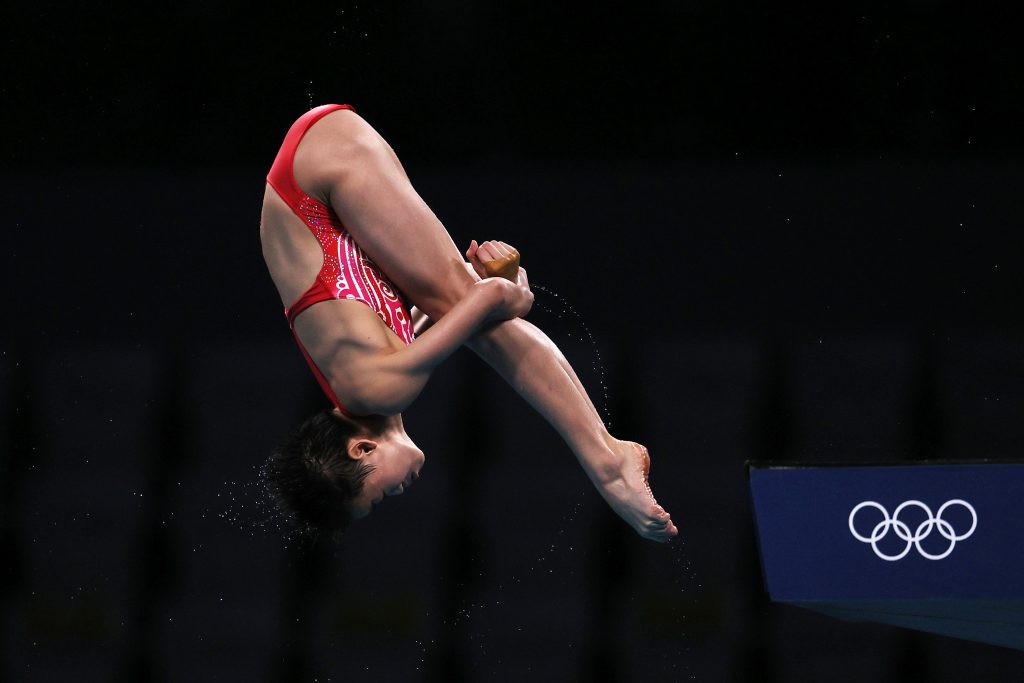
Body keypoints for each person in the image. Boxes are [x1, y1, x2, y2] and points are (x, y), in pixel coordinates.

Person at [260, 103, 677, 542]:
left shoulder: (381, 389)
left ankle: (608, 464)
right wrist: (480, 283)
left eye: (378, 496)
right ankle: (607, 457)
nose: (397, 493)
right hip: (310, 160)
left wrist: (513, 295)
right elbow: (444, 311)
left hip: (315, 173)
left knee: (467, 306)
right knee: (458, 303)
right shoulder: (364, 386)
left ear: (361, 448)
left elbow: (490, 299)